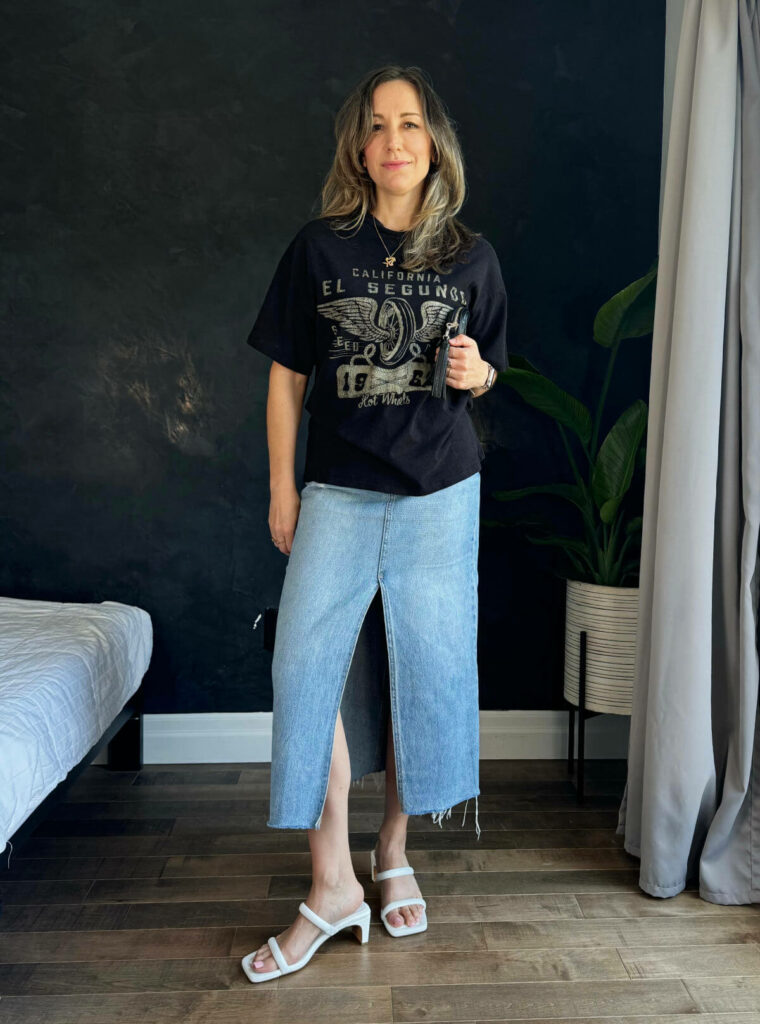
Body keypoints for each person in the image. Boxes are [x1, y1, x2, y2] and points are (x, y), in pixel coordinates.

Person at [241, 64, 508, 983]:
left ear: (434, 145)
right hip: (341, 492)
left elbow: (489, 370)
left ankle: (393, 849)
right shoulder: (319, 249)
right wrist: (284, 488)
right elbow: (285, 373)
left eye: (412, 124)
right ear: (361, 149)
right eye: (378, 126)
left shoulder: (472, 257)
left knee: (421, 668)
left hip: (440, 490)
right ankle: (330, 884)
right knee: (305, 664)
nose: (395, 140)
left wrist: (478, 376)